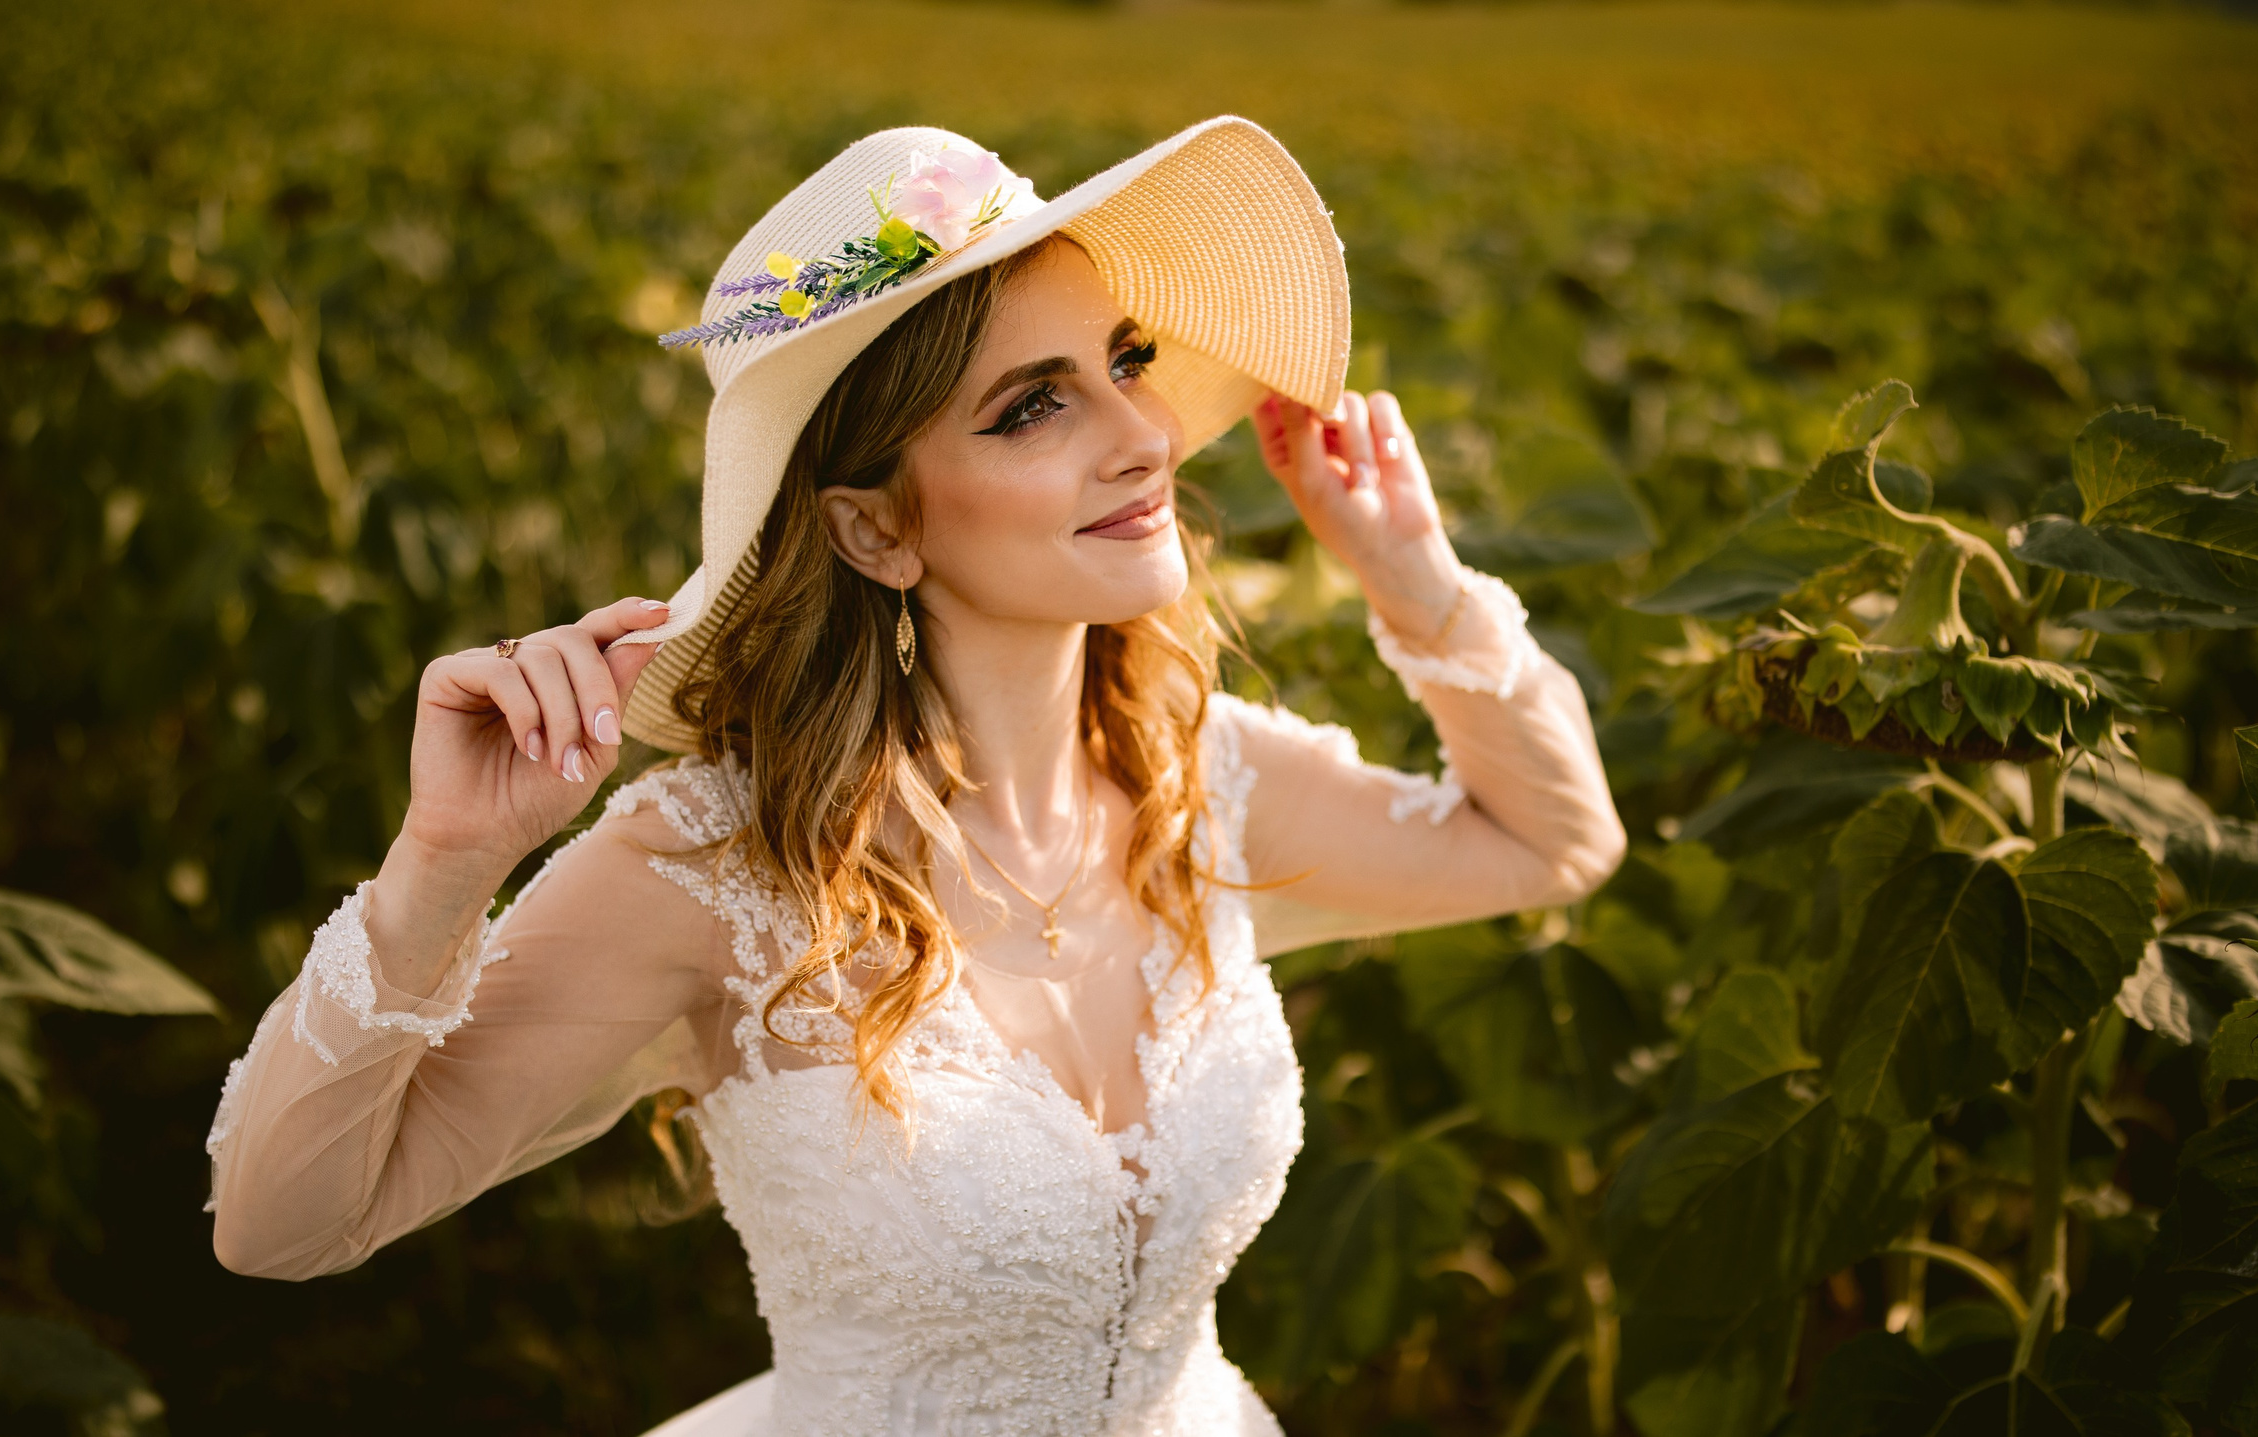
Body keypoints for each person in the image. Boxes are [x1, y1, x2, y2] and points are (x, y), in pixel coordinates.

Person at [203, 117, 1623, 1436]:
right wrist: (443, 868)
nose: (1143, 436)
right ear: (874, 525)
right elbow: (284, 1226)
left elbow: (1551, 843)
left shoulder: (1202, 779)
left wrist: (1417, 584)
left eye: (1125, 361)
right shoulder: (715, 874)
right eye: (1031, 408)